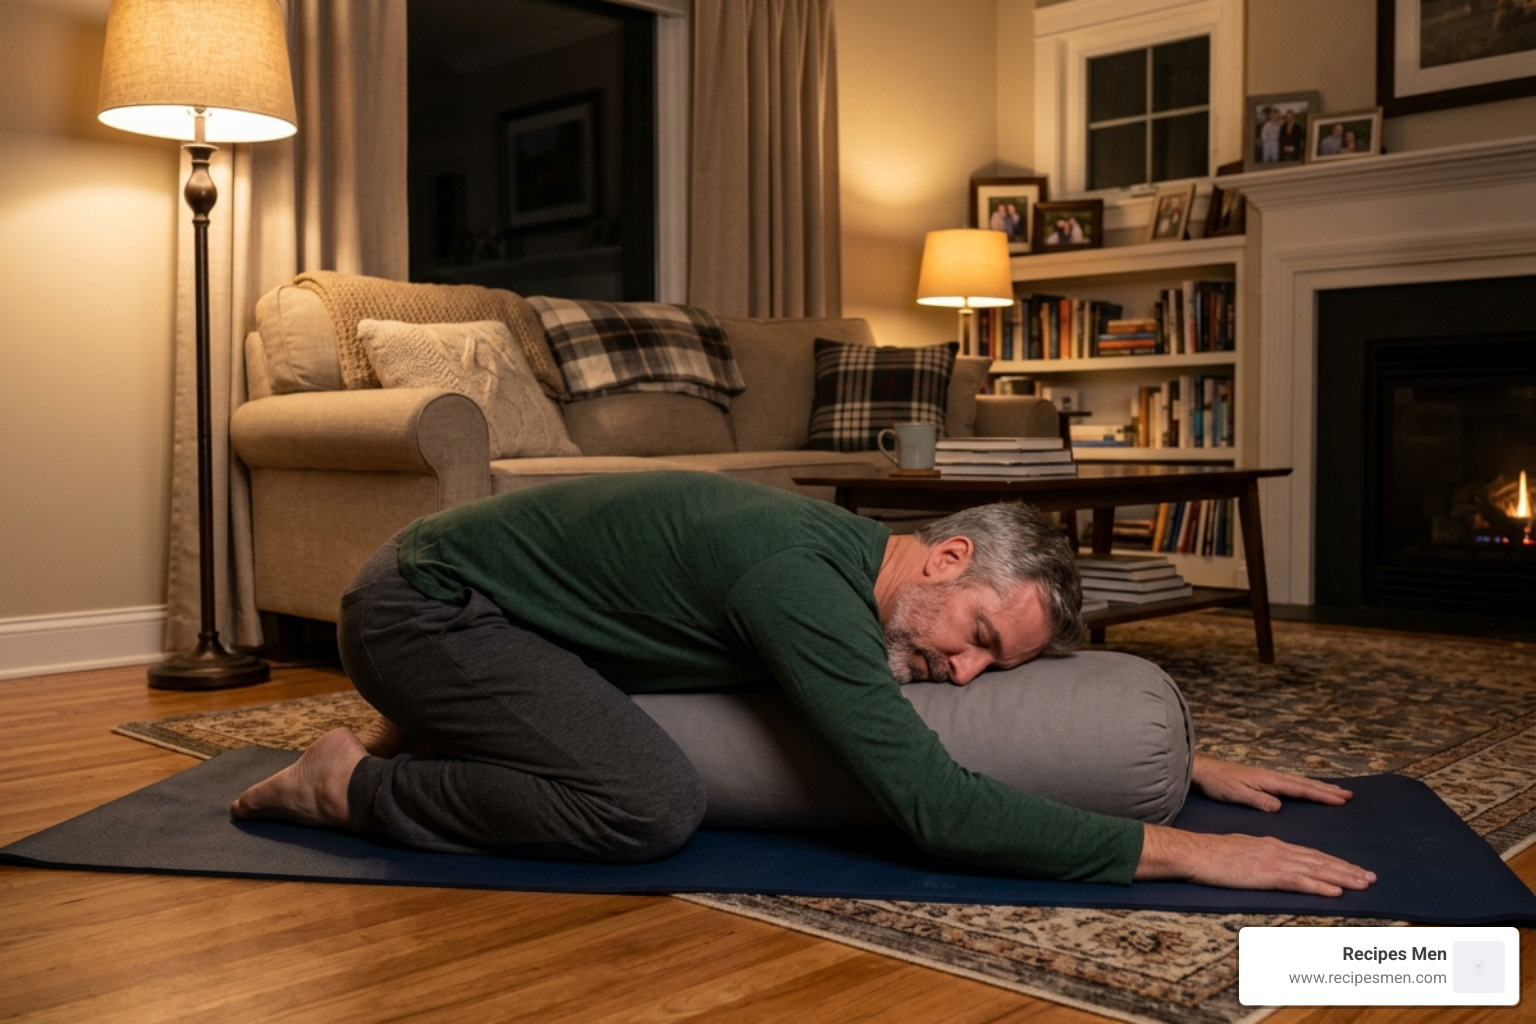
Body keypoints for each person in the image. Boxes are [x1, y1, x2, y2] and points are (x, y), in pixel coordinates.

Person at [233, 472, 1375, 895]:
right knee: (646, 806)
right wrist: (1185, 851)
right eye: (975, 633)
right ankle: (348, 785)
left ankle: (418, 725)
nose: (964, 673)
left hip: (512, 618)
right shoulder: (797, 578)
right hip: (420, 605)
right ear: (945, 557)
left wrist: (1185, 764)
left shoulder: (864, 577)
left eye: (991, 665)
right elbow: (930, 804)